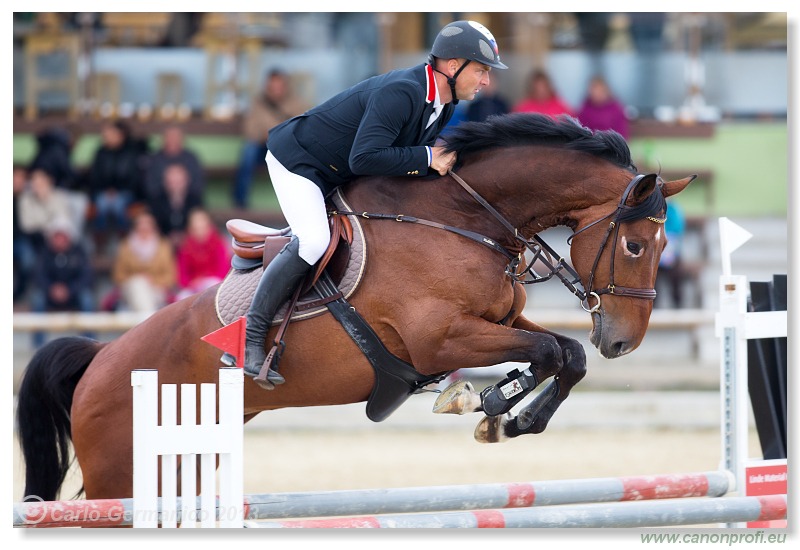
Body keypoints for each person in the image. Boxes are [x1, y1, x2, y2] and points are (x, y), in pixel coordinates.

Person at [243, 20, 508, 387]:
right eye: (481, 70)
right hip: (299, 163)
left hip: (338, 171)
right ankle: (250, 338)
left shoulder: (442, 104)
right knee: (314, 241)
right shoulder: (402, 91)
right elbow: (365, 159)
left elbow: (401, 160)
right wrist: (427, 157)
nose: (486, 82)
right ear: (452, 66)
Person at [232, 69, 308, 208]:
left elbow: (301, 128)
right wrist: (272, 133)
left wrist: (273, 132)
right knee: (249, 150)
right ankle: (240, 201)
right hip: (262, 147)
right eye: (273, 87)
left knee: (301, 157)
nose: (276, 90)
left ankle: (297, 203)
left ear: (285, 86)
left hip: (285, 148)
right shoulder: (258, 103)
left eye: (279, 86)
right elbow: (250, 129)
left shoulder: (297, 103)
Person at [30, 217, 95, 347]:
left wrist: (69, 290)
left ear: (69, 237)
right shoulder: (44, 252)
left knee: (87, 299)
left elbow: (86, 276)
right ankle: (38, 344)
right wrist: (51, 289)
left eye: (63, 236)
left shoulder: (79, 252)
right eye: (56, 236)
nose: (60, 240)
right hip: (49, 294)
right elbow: (38, 275)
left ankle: (90, 343)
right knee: (37, 300)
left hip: (73, 293)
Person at [87, 120, 146, 238]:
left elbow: (134, 179)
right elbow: (95, 177)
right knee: (102, 204)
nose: (106, 136)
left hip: (126, 192)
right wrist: (106, 190)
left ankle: (123, 236)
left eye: (110, 132)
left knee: (118, 205)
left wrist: (117, 191)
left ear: (120, 135)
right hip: (103, 192)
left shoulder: (132, 152)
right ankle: (100, 238)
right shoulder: (101, 153)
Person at [111, 210, 177, 313]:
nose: (144, 228)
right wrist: (139, 278)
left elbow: (170, 276)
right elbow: (118, 275)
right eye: (141, 224)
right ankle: (148, 322)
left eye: (147, 224)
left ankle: (144, 320)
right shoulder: (126, 246)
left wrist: (152, 281)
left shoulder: (163, 246)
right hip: (131, 289)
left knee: (143, 293)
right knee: (138, 285)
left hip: (157, 290)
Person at [17, 167, 79, 255]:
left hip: (58, 238)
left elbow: (63, 221)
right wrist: (49, 223)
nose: (36, 184)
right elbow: (27, 226)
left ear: (49, 181)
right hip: (34, 240)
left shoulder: (60, 197)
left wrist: (45, 199)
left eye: (40, 181)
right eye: (33, 181)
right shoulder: (25, 199)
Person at [175, 208, 231, 301]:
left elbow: (223, 270)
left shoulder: (218, 243)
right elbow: (182, 274)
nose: (200, 232)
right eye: (196, 229)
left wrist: (205, 279)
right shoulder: (186, 246)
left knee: (212, 285)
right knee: (181, 298)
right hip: (193, 286)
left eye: (203, 228)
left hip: (213, 284)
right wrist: (193, 283)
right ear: (190, 230)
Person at [143, 124, 205, 206]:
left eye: (176, 137)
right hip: (160, 202)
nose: (172, 140)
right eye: (169, 137)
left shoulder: (191, 158)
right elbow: (150, 186)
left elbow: (198, 184)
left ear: (182, 140)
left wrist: (181, 195)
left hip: (188, 201)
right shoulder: (155, 159)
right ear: (163, 139)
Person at [147, 162, 202, 245]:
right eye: (172, 182)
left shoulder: (195, 201)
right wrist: (166, 238)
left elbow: (200, 226)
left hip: (190, 243)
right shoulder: (156, 202)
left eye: (179, 182)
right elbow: (153, 226)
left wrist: (184, 237)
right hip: (162, 243)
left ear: (186, 181)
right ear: (165, 182)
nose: (176, 186)